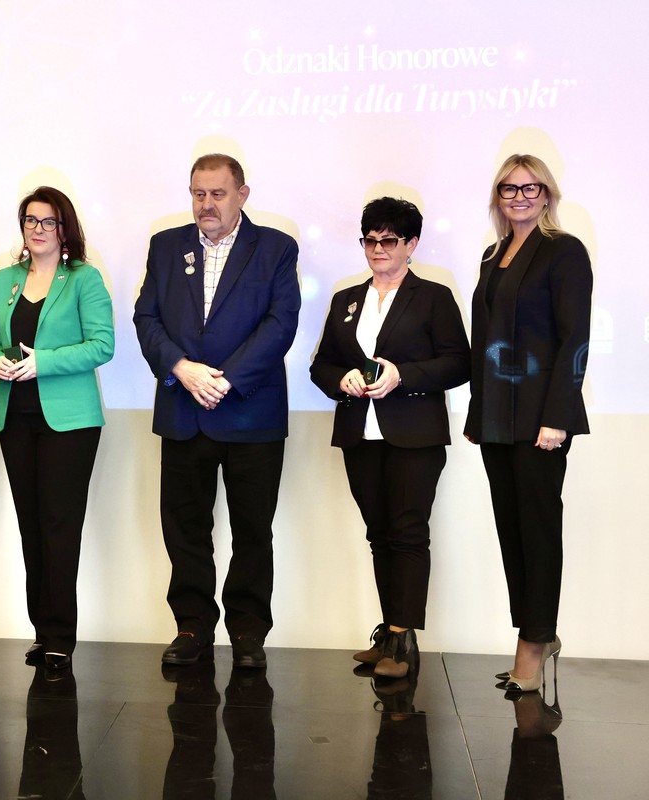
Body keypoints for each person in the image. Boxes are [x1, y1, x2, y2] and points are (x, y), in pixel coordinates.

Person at [133, 153, 300, 668]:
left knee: (253, 530)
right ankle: (192, 627)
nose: (206, 204)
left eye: (217, 194)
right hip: (184, 410)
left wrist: (226, 381)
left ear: (242, 195)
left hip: (251, 414)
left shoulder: (275, 248)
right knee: (184, 528)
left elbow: (281, 323)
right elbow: (146, 318)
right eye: (198, 193)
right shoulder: (166, 246)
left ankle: (248, 634)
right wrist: (182, 368)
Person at [309, 197, 469, 679]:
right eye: (370, 240)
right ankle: (389, 635)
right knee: (379, 534)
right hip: (360, 434)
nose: (378, 249)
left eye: (389, 240)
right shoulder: (346, 299)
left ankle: (403, 640)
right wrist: (341, 380)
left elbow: (459, 363)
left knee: (408, 532)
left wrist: (405, 375)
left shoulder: (433, 296)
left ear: (411, 244)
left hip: (415, 436)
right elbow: (321, 365)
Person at [464, 154, 591, 693]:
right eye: (509, 189)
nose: (519, 197)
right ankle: (532, 632)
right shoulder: (492, 256)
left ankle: (535, 643)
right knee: (511, 531)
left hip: (542, 418)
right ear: (498, 196)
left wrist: (558, 416)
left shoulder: (564, 251)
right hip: (497, 419)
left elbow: (575, 338)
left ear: (547, 194)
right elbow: (483, 341)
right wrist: (477, 413)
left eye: (530, 187)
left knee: (537, 531)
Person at [0, 187, 115, 671]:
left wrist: (44, 363)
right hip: (14, 417)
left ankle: (61, 635)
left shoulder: (83, 278)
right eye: (30, 220)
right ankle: (41, 630)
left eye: (48, 221)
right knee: (31, 524)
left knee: (60, 524)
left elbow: (102, 345)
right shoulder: (5, 279)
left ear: (65, 229)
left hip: (69, 422)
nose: (37, 229)